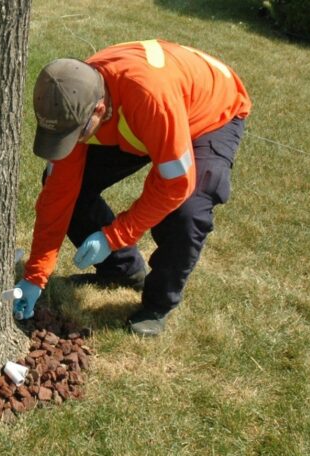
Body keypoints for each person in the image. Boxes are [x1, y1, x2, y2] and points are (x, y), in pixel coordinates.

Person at [13, 39, 251, 337]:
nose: (73, 142)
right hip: (140, 116)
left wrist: (114, 236)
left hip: (207, 113)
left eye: (79, 134)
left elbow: (175, 183)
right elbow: (58, 196)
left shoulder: (150, 100)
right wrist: (36, 274)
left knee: (187, 213)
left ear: (99, 110)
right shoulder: (73, 103)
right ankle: (122, 271)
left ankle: (157, 304)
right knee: (66, 186)